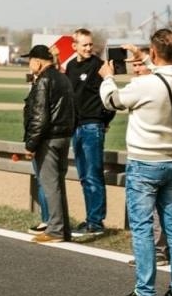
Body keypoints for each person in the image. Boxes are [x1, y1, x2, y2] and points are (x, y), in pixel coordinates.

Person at [99, 28, 172, 296]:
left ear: (153, 52)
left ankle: (144, 291)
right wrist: (147, 59)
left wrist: (107, 78)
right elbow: (166, 74)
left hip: (144, 161)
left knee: (142, 227)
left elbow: (112, 101)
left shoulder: (144, 84)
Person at [63, 28, 113, 240]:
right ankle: (90, 218)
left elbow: (110, 98)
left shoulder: (98, 66)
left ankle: (96, 222)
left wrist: (103, 121)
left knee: (93, 175)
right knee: (84, 176)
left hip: (92, 126)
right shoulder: (71, 67)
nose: (88, 48)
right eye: (84, 45)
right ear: (74, 46)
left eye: (90, 44)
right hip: (76, 127)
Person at [23, 44, 75, 243]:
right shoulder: (63, 78)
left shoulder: (44, 81)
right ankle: (63, 229)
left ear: (37, 61)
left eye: (30, 61)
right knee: (58, 184)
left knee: (50, 186)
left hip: (49, 139)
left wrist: (31, 144)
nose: (29, 66)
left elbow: (40, 117)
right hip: (64, 137)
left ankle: (54, 230)